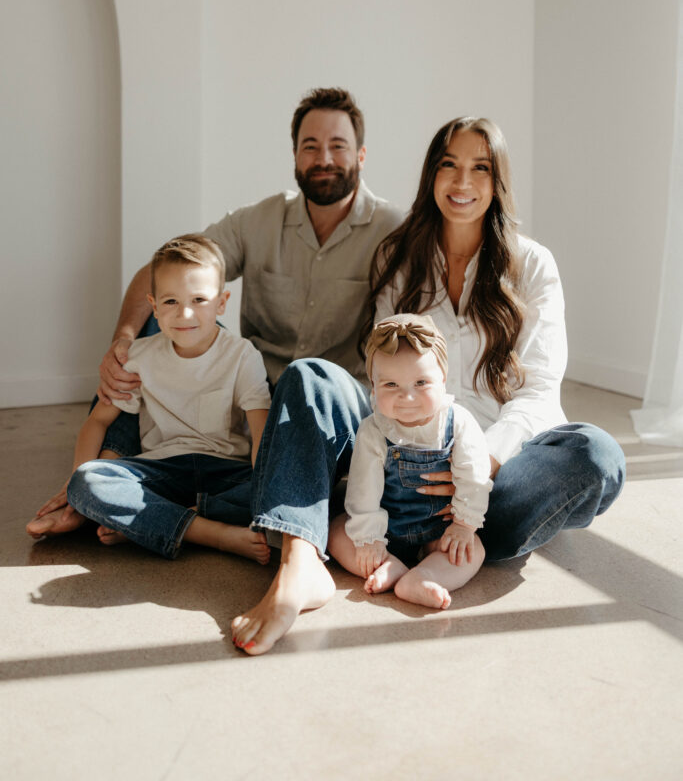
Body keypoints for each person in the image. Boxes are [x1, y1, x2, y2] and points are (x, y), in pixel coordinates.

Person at [91, 88, 403, 654]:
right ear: (294, 155)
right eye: (311, 146)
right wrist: (122, 339)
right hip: (249, 397)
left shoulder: (394, 229)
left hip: (334, 402)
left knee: (303, 375)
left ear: (361, 156)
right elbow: (166, 269)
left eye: (338, 145)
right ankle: (104, 476)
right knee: (170, 317)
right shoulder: (259, 220)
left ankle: (290, 557)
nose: (324, 157)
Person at [344, 116, 625, 567]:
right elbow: (381, 371)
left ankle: (469, 534)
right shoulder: (397, 259)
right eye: (449, 164)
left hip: (501, 467)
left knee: (599, 456)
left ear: (498, 181)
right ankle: (448, 538)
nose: (462, 181)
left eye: (481, 168)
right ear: (431, 174)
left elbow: (539, 390)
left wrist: (481, 464)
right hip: (412, 465)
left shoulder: (532, 264)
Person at [27, 235, 272, 564]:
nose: (185, 313)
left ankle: (151, 521)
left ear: (222, 302)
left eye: (199, 299)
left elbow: (261, 435)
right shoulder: (139, 357)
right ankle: (211, 532)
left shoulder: (243, 355)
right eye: (170, 302)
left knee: (277, 486)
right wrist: (75, 489)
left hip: (225, 472)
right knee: (87, 482)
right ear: (153, 306)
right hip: (160, 472)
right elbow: (98, 421)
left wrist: (260, 490)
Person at [328, 314, 492, 610]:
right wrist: (369, 537)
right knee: (336, 533)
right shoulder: (374, 429)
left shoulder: (458, 423)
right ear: (373, 388)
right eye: (391, 384)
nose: (407, 396)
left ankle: (425, 576)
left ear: (443, 379)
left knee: (472, 552)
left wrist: (464, 525)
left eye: (421, 382)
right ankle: (389, 565)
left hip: (440, 529)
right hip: (386, 530)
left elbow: (474, 477)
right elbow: (363, 490)